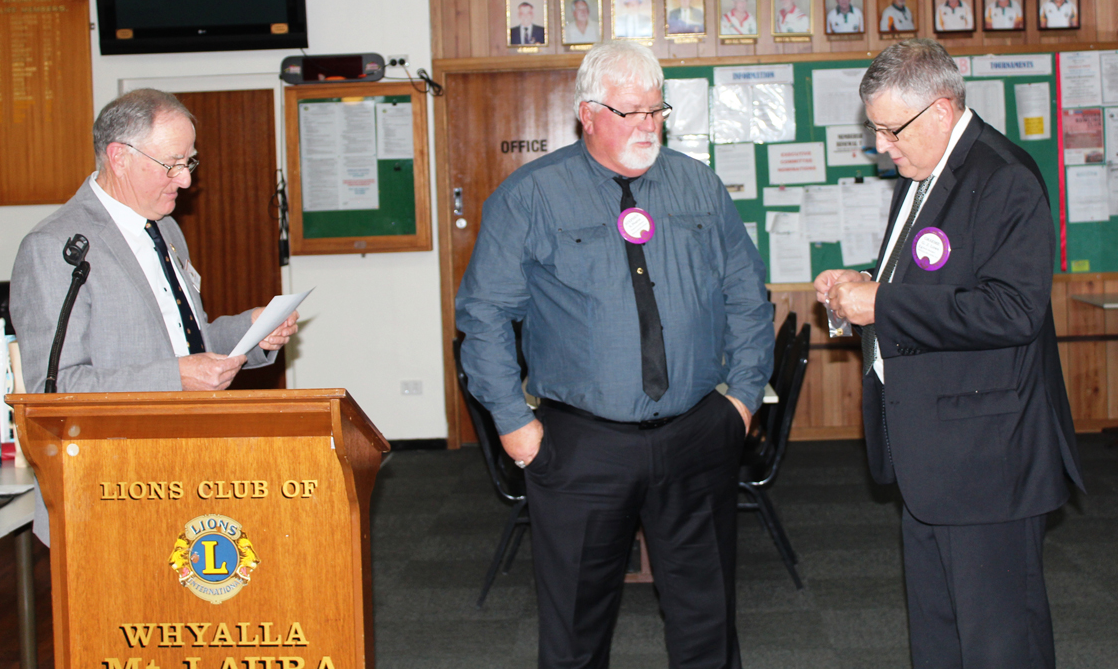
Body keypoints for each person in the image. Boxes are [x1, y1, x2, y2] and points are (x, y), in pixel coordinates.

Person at [457, 39, 773, 669]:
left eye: (656, 110)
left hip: (696, 433)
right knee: (576, 626)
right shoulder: (532, 195)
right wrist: (513, 423)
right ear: (588, 114)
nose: (647, 125)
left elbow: (746, 295)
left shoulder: (698, 186)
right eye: (631, 112)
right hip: (582, 445)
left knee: (707, 619)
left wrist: (741, 399)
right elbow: (484, 315)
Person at [814, 38, 1083, 669]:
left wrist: (882, 305)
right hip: (930, 451)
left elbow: (1013, 311)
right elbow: (933, 284)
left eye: (890, 130)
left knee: (999, 644)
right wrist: (862, 285)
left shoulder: (1003, 176)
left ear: (939, 110)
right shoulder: (923, 170)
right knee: (940, 638)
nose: (883, 145)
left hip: (986, 460)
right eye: (876, 130)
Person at [10, 89, 299, 540]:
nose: (185, 180)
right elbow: (58, 389)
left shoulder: (166, 229)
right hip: (109, 489)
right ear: (119, 157)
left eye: (190, 162)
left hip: (187, 470)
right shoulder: (56, 247)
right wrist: (175, 378)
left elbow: (187, 344)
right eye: (172, 164)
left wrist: (251, 331)